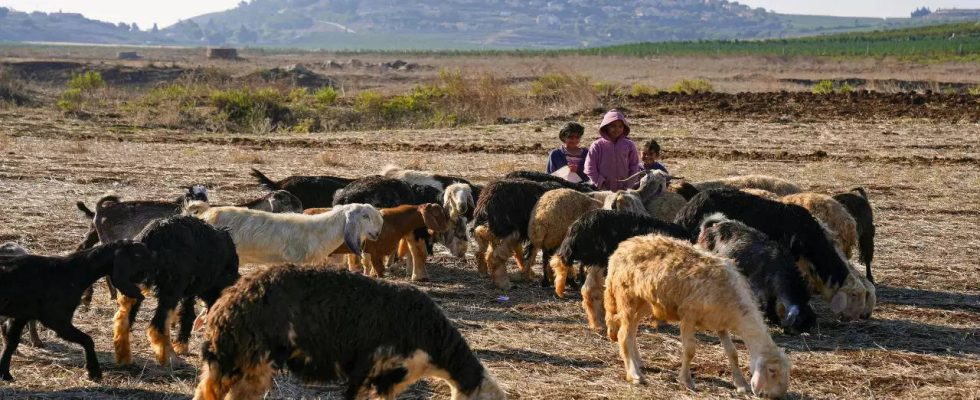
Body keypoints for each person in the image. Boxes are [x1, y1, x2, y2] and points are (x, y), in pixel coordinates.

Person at [584, 109, 642, 191]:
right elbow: (590, 168)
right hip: (601, 191)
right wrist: (600, 184)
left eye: (620, 126)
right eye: (613, 126)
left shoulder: (629, 145)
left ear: (624, 127)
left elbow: (634, 166)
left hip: (624, 191)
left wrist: (628, 186)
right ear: (606, 126)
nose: (617, 129)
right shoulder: (597, 146)